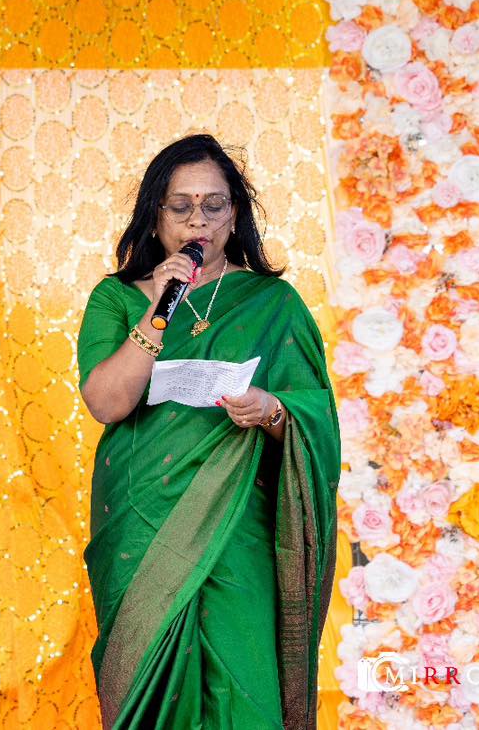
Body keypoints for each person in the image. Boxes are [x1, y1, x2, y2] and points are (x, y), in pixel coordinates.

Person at [77, 133, 340, 730]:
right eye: (181, 206)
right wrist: (158, 310)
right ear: (155, 215)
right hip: (140, 518)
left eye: (214, 205)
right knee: (149, 690)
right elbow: (107, 402)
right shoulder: (117, 298)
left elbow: (317, 423)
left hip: (235, 525)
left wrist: (270, 410)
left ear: (235, 213)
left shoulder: (273, 303)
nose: (198, 220)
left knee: (243, 688)